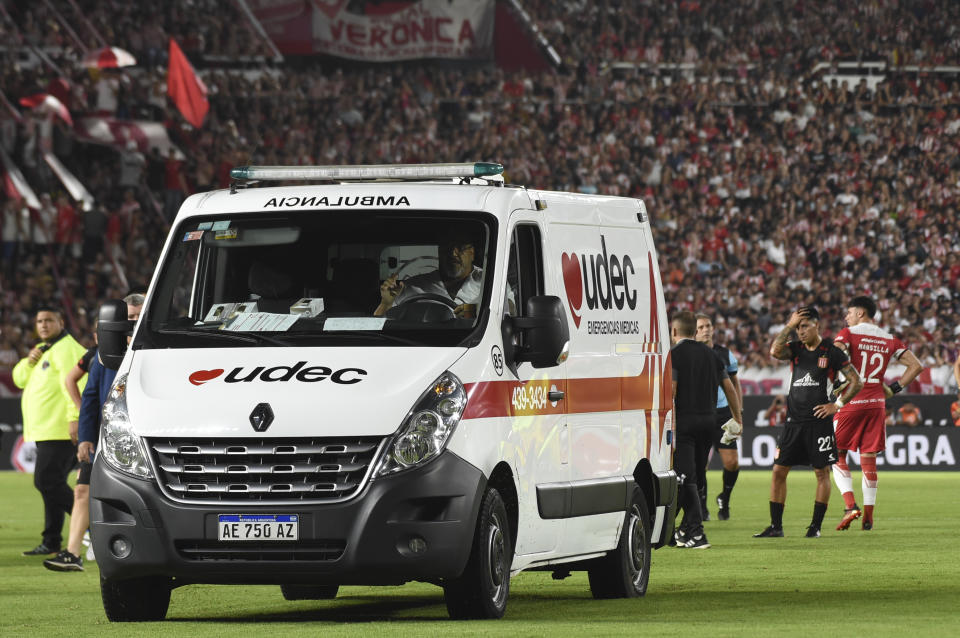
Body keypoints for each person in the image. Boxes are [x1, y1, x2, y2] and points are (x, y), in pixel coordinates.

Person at [44, 295, 143, 571]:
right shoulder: (103, 354)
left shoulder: (156, 352)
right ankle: (72, 554)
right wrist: (86, 436)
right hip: (106, 437)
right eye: (129, 317)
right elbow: (89, 396)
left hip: (142, 440)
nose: (132, 323)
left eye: (137, 317)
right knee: (81, 491)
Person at [755, 306, 862, 539]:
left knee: (822, 473)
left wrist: (837, 405)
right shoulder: (795, 350)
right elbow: (774, 351)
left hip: (819, 424)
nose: (800, 331)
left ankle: (815, 527)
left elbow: (856, 381)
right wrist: (789, 325)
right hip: (793, 423)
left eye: (805, 326)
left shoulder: (831, 352)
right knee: (778, 471)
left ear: (817, 326)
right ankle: (776, 527)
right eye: (798, 327)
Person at [831, 295, 923, 531]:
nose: (846, 317)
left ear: (861, 313)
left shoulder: (848, 334)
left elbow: (833, 354)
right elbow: (916, 366)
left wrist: (839, 381)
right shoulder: (889, 339)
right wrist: (893, 389)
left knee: (836, 454)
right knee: (869, 460)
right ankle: (868, 518)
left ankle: (850, 506)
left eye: (849, 312)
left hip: (852, 401)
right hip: (877, 404)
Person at [12, 306, 88, 556]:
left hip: (60, 430)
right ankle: (52, 540)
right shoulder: (46, 350)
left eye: (48, 320)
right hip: (46, 430)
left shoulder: (66, 349)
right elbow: (19, 380)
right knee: (50, 484)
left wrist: (74, 417)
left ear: (61, 322)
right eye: (39, 321)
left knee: (47, 481)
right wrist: (28, 360)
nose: (43, 325)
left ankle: (89, 526)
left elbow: (75, 384)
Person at [670, 310, 742, 549]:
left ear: (674, 332)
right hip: (709, 422)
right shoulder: (712, 356)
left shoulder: (674, 356)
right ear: (694, 331)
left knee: (685, 477)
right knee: (697, 477)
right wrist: (737, 419)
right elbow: (730, 388)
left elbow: (671, 391)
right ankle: (682, 530)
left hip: (684, 423)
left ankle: (697, 532)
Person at [695, 313, 742, 521]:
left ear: (713, 328)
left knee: (731, 463)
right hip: (699, 413)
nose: (705, 330)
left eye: (708, 326)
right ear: (694, 332)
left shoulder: (724, 354)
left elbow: (734, 382)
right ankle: (702, 506)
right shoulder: (689, 354)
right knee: (699, 464)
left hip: (723, 413)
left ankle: (725, 497)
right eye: (700, 327)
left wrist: (738, 412)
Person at [374, 231, 483, 318]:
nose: (453, 254)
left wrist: (469, 311)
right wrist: (386, 303)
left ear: (472, 253)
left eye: (460, 248)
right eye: (447, 248)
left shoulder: (490, 281)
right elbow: (379, 326)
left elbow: (495, 314)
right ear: (439, 252)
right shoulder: (412, 286)